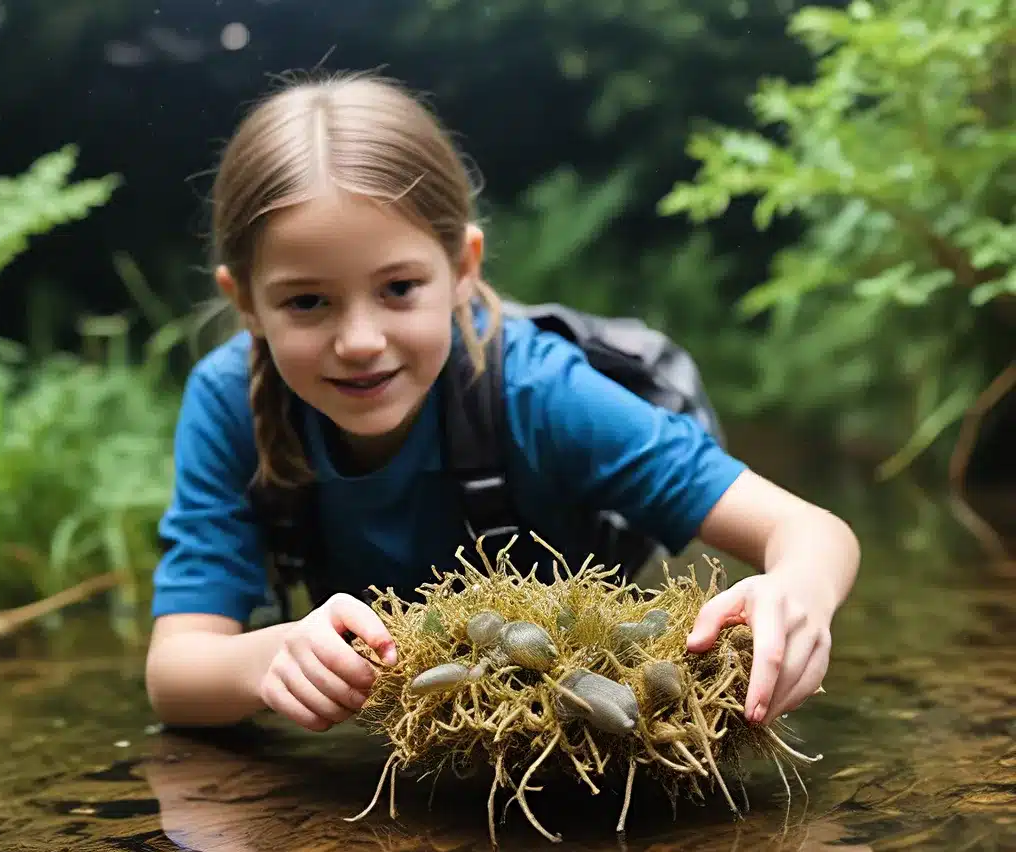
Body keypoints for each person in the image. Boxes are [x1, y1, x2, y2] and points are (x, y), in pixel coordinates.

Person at [145, 71, 860, 737]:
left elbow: (812, 530)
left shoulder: (539, 391)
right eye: (307, 301)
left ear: (462, 268)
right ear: (246, 306)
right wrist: (267, 659)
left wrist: (798, 593)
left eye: (399, 289)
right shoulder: (226, 402)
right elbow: (175, 673)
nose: (360, 342)